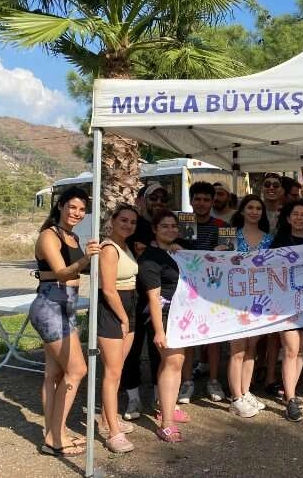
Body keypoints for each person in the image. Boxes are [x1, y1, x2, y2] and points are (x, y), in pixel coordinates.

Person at [30, 186, 99, 456]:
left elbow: (79, 270)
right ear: (60, 206)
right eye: (72, 207)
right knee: (77, 370)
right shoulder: (49, 235)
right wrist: (86, 258)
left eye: (82, 209)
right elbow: (61, 272)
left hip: (64, 307)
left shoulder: (72, 236)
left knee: (54, 374)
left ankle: (53, 432)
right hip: (50, 308)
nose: (77, 213)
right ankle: (55, 439)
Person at [139, 210, 190, 442]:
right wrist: (159, 331)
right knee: (173, 363)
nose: (170, 230)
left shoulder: (174, 252)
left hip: (179, 316)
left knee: (171, 363)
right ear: (155, 229)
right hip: (164, 316)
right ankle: (166, 423)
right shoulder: (150, 258)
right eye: (165, 226)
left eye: (173, 226)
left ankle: (166, 408)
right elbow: (153, 297)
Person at [271, 200, 303, 421]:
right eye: (295, 214)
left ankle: (290, 390)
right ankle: (290, 399)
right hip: (285, 304)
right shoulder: (278, 242)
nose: (299, 218)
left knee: (300, 350)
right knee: (290, 349)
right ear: (288, 218)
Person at [178, 181, 227, 406]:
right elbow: (172, 247)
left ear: (212, 202)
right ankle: (187, 381)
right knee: (188, 337)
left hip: (213, 291)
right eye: (197, 199)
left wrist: (222, 251)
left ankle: (213, 380)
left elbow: (230, 258)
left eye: (206, 199)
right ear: (191, 200)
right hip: (186, 290)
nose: (201, 203)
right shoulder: (181, 225)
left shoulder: (223, 226)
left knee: (214, 339)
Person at [121, 183, 167, 420]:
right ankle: (133, 398)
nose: (158, 202)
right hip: (134, 297)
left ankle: (160, 397)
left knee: (159, 349)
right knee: (132, 349)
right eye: (153, 198)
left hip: (159, 298)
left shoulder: (167, 228)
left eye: (162, 199)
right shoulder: (132, 225)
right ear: (142, 200)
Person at [226, 195, 274, 418]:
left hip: (259, 299)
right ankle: (235, 398)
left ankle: (245, 391)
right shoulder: (230, 235)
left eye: (258, 208)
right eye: (250, 207)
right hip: (235, 298)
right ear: (242, 211)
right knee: (237, 348)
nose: (254, 211)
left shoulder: (269, 239)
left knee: (251, 347)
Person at [97, 204, 139, 453]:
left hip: (128, 307)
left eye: (132, 222)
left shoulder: (126, 246)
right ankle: (113, 433)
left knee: (118, 369)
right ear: (113, 220)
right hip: (113, 311)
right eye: (123, 220)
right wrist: (123, 318)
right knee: (112, 372)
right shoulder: (109, 249)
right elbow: (109, 290)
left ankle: (108, 418)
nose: (128, 225)